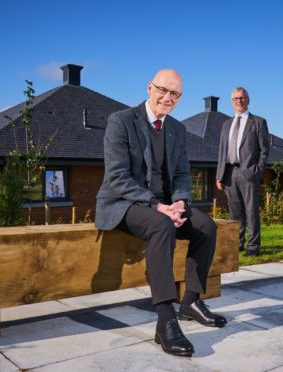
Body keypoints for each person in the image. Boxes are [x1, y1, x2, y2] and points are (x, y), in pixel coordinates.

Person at [95, 69, 227, 358]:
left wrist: (180, 202)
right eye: (163, 90)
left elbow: (182, 174)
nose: (167, 98)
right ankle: (165, 319)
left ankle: (191, 301)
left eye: (175, 94)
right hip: (125, 204)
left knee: (206, 226)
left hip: (166, 205)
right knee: (160, 226)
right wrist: (156, 205)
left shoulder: (177, 129)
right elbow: (117, 177)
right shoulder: (121, 121)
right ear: (149, 87)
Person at [216, 87, 270, 257]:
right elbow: (222, 151)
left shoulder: (258, 122)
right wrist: (219, 175)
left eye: (242, 98)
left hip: (249, 173)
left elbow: (264, 150)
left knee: (251, 211)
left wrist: (257, 170)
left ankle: (253, 247)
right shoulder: (226, 124)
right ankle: (237, 244)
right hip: (230, 173)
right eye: (235, 99)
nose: (238, 101)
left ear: (248, 99)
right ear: (232, 102)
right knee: (235, 212)